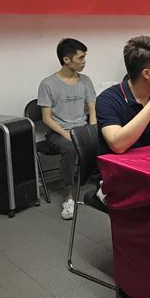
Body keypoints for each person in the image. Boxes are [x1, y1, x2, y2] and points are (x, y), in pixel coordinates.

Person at [37, 38, 96, 220]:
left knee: (106, 138)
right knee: (70, 148)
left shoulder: (85, 81)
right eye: (80, 58)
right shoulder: (48, 84)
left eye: (84, 57)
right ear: (66, 59)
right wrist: (68, 135)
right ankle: (68, 196)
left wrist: (93, 131)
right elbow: (46, 118)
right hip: (58, 132)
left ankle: (102, 187)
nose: (84, 62)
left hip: (81, 129)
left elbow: (92, 109)